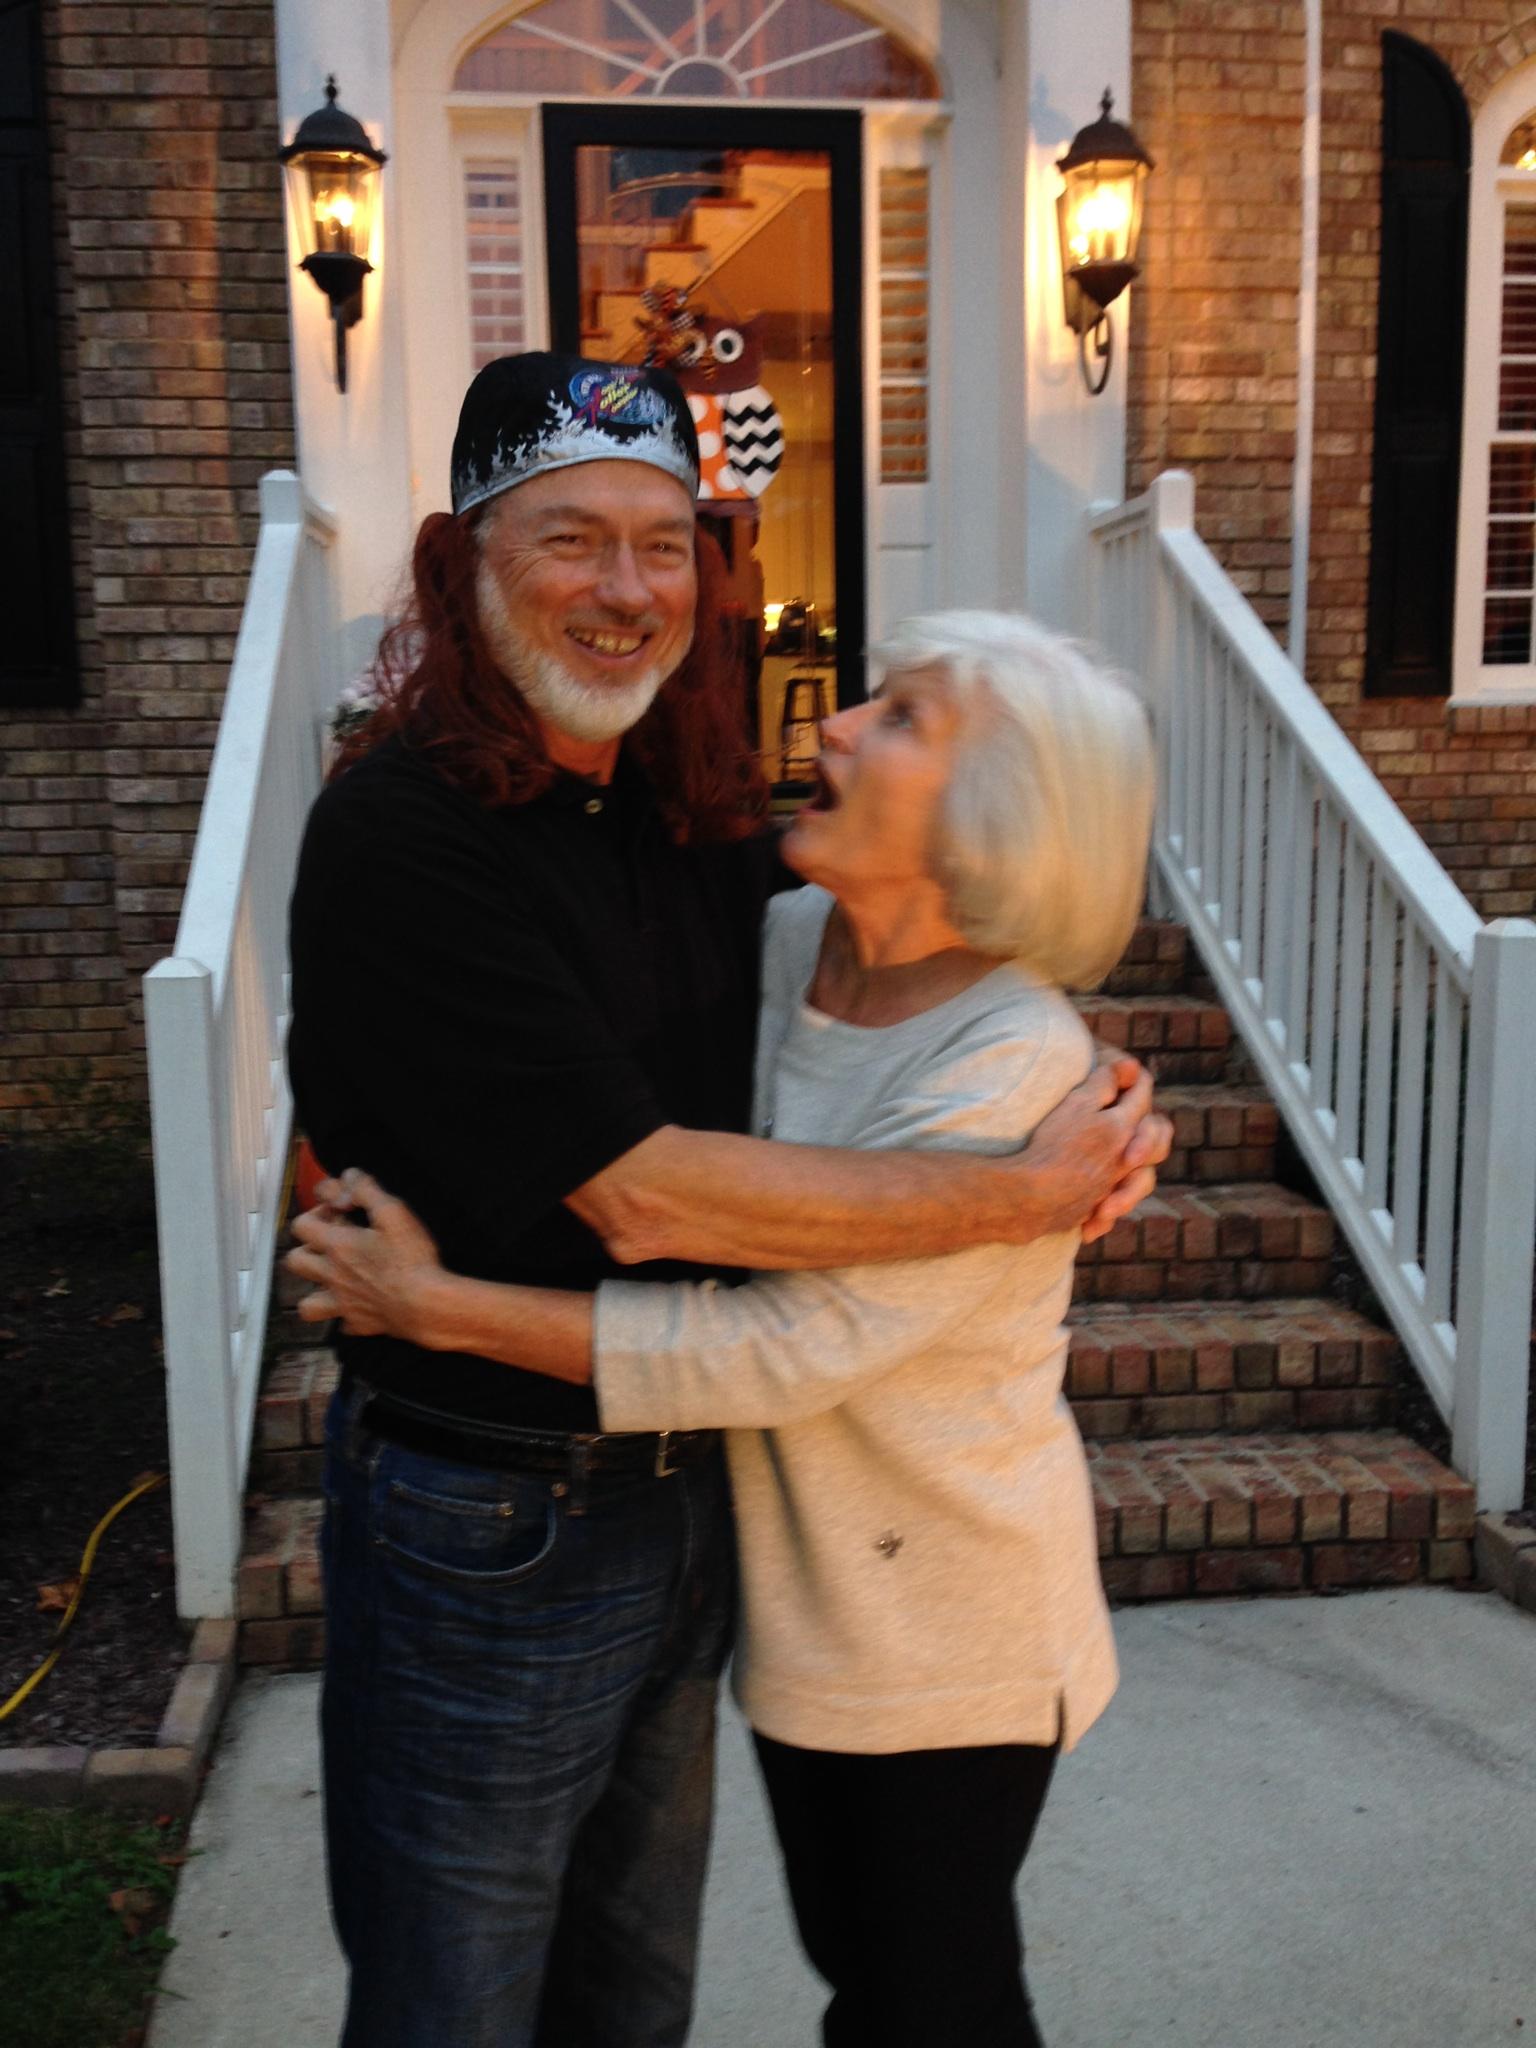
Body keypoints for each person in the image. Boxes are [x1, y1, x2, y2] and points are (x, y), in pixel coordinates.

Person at [287, 351, 1169, 2048]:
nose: (628, 589)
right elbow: (650, 1200)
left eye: (663, 543)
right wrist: (1015, 1195)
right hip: (491, 1514)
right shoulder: (407, 833)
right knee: (458, 2000)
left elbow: (962, 939)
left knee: (641, 1998)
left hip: (713, 1518)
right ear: (459, 565)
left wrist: (1083, 1105)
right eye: (570, 538)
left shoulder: (678, 823)